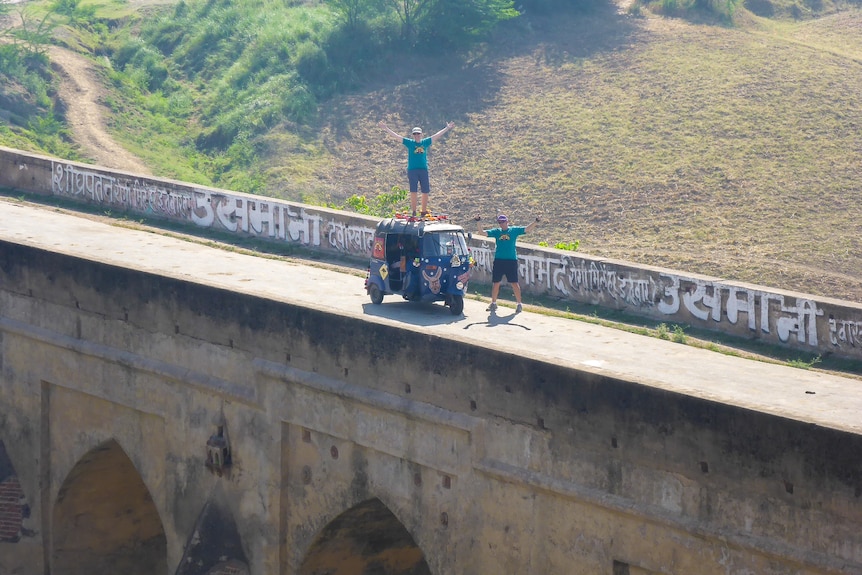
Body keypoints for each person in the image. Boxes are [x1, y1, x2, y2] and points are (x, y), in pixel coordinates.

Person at [378, 120, 455, 216]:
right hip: (412, 170)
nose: (417, 135)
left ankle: (423, 210)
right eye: (415, 134)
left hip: (423, 169)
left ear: (421, 134)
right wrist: (386, 129)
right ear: (413, 135)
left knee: (425, 190)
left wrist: (447, 128)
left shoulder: (425, 142)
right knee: (413, 190)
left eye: (418, 133)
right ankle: (414, 211)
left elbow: (436, 135)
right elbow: (397, 137)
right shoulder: (410, 143)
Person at [475, 213, 540, 313]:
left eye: (503, 222)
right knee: (496, 282)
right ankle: (493, 303)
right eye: (499, 222)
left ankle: (519, 304)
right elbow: (481, 232)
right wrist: (478, 221)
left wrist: (536, 222)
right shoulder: (497, 232)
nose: (501, 224)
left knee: (514, 282)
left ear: (507, 222)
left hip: (511, 260)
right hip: (499, 260)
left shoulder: (513, 231)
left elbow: (527, 229)